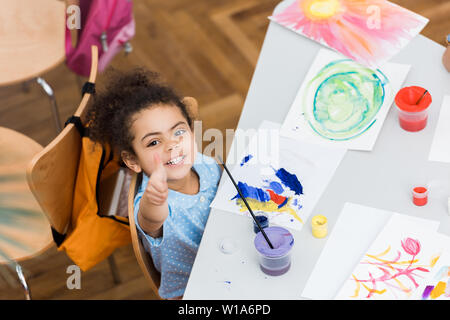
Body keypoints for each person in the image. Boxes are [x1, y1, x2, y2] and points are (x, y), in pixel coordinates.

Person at [85, 68, 221, 299]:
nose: (172, 145)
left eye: (179, 131)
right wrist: (155, 197)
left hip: (230, 251)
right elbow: (151, 219)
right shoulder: (151, 203)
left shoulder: (204, 163)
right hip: (194, 289)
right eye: (154, 142)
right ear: (133, 160)